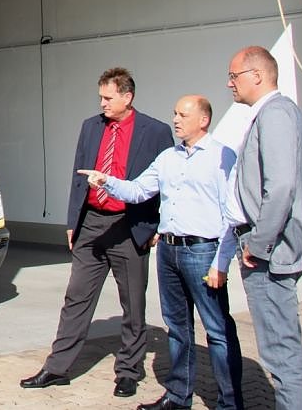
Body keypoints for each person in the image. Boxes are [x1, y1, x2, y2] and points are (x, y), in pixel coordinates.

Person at [80, 96, 243, 410]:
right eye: (175, 113)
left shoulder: (222, 157)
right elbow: (139, 190)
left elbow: (231, 214)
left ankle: (230, 403)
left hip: (202, 251)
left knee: (218, 331)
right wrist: (106, 181)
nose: (176, 120)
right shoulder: (168, 157)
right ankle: (178, 397)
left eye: (183, 115)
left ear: (204, 120)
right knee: (178, 328)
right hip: (168, 251)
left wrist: (221, 262)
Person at [21, 67, 173, 398]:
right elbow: (78, 177)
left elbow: (168, 183)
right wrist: (73, 222)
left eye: (108, 97)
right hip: (91, 223)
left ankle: (129, 371)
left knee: (132, 303)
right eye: (100, 97)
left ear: (127, 97)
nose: (102, 103)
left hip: (129, 226)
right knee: (76, 297)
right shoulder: (91, 127)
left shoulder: (155, 132)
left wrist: (158, 225)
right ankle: (57, 368)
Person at [227, 46, 302, 410]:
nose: (230, 84)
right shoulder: (273, 113)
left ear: (257, 75)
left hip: (269, 253)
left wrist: (258, 244)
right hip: (268, 248)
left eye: (234, 76)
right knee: (281, 347)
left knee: (281, 352)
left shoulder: (275, 113)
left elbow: (281, 186)